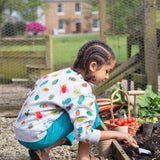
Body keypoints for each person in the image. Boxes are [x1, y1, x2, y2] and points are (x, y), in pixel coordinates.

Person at [15, 40, 137, 160]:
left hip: (22, 133)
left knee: (81, 112)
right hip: (37, 137)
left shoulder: (60, 74)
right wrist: (118, 134)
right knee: (91, 108)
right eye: (106, 71)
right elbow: (84, 134)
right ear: (93, 66)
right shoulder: (81, 88)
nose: (107, 76)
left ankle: (44, 150)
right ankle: (83, 157)